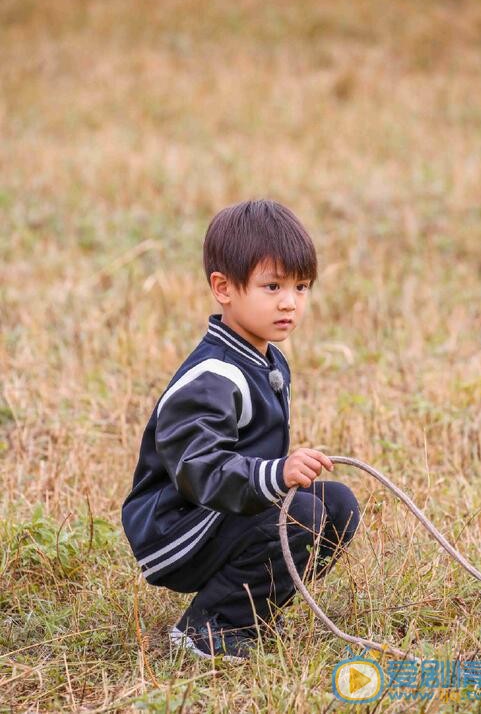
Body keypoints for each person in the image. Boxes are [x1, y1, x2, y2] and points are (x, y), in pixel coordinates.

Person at [121, 199, 360, 663]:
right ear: (224, 288)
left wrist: (278, 474)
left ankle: (252, 609)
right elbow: (200, 471)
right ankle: (208, 629)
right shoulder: (214, 376)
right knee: (301, 516)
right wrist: (275, 473)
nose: (289, 301)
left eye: (301, 287)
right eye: (272, 286)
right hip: (178, 529)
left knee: (338, 506)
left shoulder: (264, 358)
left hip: (225, 515)